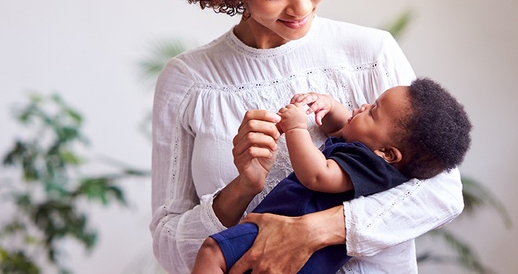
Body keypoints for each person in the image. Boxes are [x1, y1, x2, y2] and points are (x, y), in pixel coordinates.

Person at [149, 0, 465, 273]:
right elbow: (167, 245)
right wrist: (243, 187)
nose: (300, 5)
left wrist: (315, 230)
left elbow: (442, 193)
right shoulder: (188, 82)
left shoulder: (371, 54)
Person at [190, 78, 472, 274]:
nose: (362, 107)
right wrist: (326, 104)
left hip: (287, 231)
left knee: (212, 251)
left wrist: (297, 128)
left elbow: (317, 175)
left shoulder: (370, 166)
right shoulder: (371, 156)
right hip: (307, 255)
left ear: (387, 153)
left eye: (373, 111)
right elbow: (341, 126)